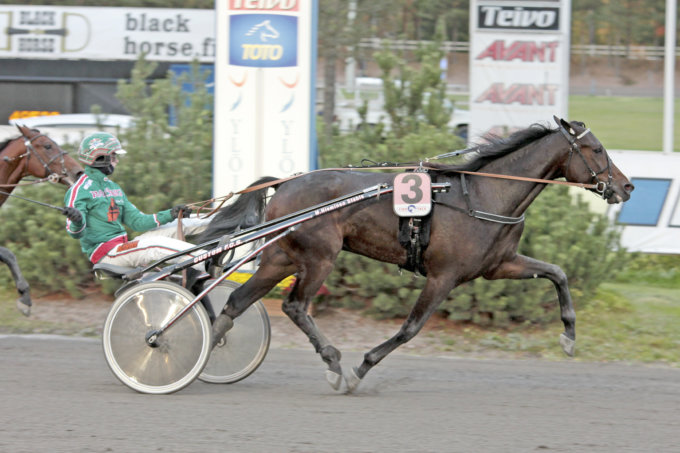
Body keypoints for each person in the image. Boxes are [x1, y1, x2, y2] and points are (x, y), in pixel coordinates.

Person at [62, 132, 205, 273]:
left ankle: (224, 235)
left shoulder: (112, 187)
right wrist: (77, 220)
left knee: (183, 223)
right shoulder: (80, 191)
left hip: (123, 246)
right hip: (108, 254)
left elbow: (137, 221)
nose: (116, 161)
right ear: (99, 157)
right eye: (113, 156)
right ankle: (209, 262)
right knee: (156, 244)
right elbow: (74, 233)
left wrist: (171, 214)